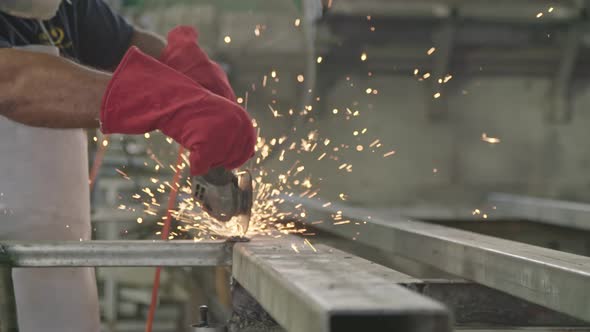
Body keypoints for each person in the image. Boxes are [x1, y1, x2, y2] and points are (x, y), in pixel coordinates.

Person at [0, 1, 256, 331]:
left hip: (53, 242)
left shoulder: (59, 5)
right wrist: (166, 102)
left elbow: (128, 43)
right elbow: (12, 81)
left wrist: (184, 70)